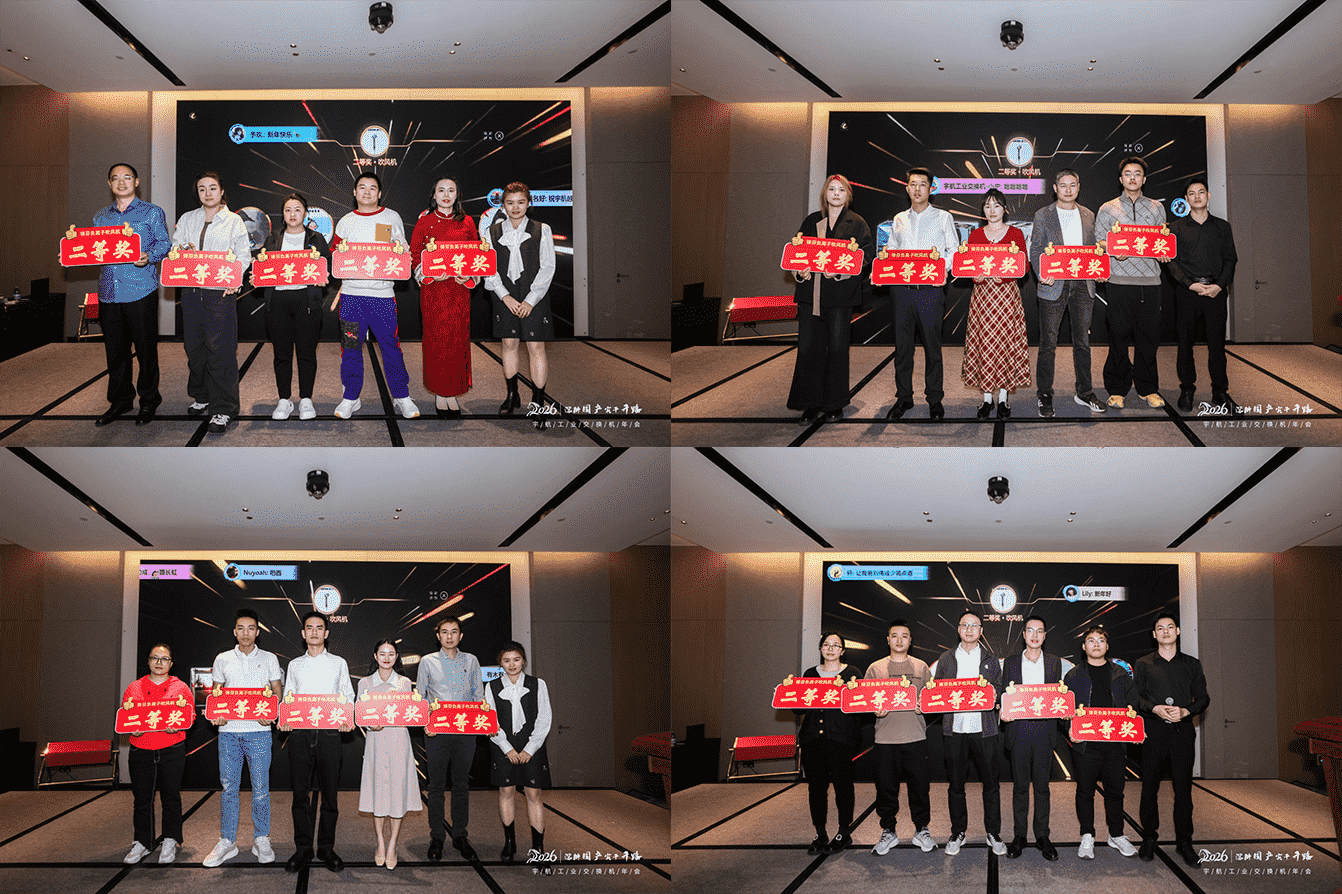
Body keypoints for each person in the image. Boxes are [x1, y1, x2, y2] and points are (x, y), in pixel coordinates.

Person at [330, 171, 419, 420]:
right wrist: (339, 251)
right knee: (350, 348)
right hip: (351, 297)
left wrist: (402, 251)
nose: (367, 191)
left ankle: (401, 395)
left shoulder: (391, 217)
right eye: (362, 187)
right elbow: (335, 253)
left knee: (391, 347)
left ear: (379, 193)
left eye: (372, 187)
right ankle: (351, 397)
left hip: (382, 297)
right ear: (354, 192)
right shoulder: (346, 221)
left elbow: (402, 249)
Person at [786, 174, 873, 424]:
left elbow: (866, 255)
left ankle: (834, 404)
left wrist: (840, 270)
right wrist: (799, 271)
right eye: (831, 189)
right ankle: (810, 403)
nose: (836, 193)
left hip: (840, 297)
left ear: (848, 195)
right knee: (809, 348)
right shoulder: (812, 221)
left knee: (837, 349)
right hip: (810, 295)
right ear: (824, 194)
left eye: (841, 190)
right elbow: (797, 251)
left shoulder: (857, 223)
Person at [91, 163, 171, 427]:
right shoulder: (101, 217)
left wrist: (150, 255)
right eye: (115, 178)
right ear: (109, 184)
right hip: (108, 292)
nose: (121, 182)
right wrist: (71, 254)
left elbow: (164, 244)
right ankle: (121, 400)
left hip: (140, 290)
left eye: (127, 177)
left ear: (136, 182)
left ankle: (149, 401)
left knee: (146, 351)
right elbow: (93, 249)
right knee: (115, 351)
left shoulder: (152, 212)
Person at [171, 171, 251, 434]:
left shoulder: (234, 221)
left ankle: (223, 408)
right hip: (192, 291)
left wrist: (235, 278)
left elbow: (243, 256)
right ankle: (202, 395)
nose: (208, 193)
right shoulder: (187, 218)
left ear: (222, 191)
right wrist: (181, 251)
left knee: (221, 350)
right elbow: (175, 249)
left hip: (220, 293)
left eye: (213, 188)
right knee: (194, 348)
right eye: (202, 189)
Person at [202, 609, 283, 867]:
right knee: (229, 789)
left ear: (257, 632)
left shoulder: (269, 658)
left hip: (259, 732)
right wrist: (216, 716)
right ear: (234, 631)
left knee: (260, 790)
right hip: (228, 733)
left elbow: (277, 692)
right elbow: (216, 695)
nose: (246, 633)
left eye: (251, 628)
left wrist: (271, 713)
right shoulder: (222, 659)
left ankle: (261, 838)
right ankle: (228, 841)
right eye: (241, 628)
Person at [278, 611, 356, 874]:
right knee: (300, 794)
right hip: (300, 733)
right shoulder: (294, 665)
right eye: (309, 627)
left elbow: (348, 695)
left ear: (326, 633)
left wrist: (346, 718)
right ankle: (302, 849)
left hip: (330, 733)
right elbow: (288, 697)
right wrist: (285, 718)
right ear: (303, 634)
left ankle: (326, 848)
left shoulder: (339, 663)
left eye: (319, 627)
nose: (314, 632)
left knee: (330, 795)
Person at [1133, 613, 1209, 867]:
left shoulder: (1191, 664)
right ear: (1154, 634)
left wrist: (1186, 711)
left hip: (1182, 733)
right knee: (1149, 788)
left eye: (1170, 627)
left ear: (1177, 631)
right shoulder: (1143, 664)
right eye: (1160, 628)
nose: (1165, 631)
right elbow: (1136, 698)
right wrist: (1154, 708)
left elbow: (1203, 698)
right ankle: (1149, 837)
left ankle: (1184, 841)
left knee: (1183, 790)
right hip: (1153, 733)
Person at [1028, 169, 1106, 416]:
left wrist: (1100, 268)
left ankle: (1085, 392)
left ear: (1079, 187)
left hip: (1083, 284)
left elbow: (1095, 249)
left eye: (1073, 185)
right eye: (1063, 185)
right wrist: (1041, 272)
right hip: (1053, 285)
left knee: (1082, 341)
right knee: (1048, 343)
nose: (1068, 189)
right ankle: (1044, 393)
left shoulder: (1088, 214)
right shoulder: (1043, 215)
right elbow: (1036, 248)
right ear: (1055, 188)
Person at [882, 167, 959, 420]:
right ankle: (903, 398)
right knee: (903, 348)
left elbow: (953, 251)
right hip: (902, 292)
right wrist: (883, 265)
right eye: (913, 184)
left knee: (932, 348)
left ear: (931, 188)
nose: (917, 189)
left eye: (922, 184)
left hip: (930, 292)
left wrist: (940, 269)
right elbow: (892, 250)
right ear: (907, 189)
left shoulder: (943, 217)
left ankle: (934, 399)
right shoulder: (898, 219)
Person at [929, 610, 1005, 856]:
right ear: (958, 629)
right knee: (955, 785)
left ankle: (993, 833)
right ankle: (957, 832)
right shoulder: (946, 658)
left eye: (974, 625)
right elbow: (936, 691)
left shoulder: (991, 659)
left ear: (981, 630)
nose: (969, 629)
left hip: (984, 730)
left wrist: (990, 690)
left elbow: (999, 689)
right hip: (955, 729)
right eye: (965, 625)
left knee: (991, 784)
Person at [1095, 157, 1168, 409]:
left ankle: (1148, 388)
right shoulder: (1107, 208)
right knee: (1118, 336)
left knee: (1148, 338)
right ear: (1121, 179)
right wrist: (1113, 248)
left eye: (1137, 173)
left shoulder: (1157, 207)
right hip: (1119, 281)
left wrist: (1164, 251)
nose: (1133, 177)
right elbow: (1099, 242)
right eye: (1128, 173)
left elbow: (1162, 239)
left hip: (1150, 282)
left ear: (1144, 179)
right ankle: (1117, 389)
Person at [999, 616, 1074, 860]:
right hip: (1019, 731)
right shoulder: (1011, 662)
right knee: (1020, 788)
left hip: (1044, 732)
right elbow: (1003, 694)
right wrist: (1003, 711)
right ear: (1023, 634)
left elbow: (1059, 694)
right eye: (1030, 630)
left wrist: (1065, 711)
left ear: (1044, 635)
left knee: (1042, 788)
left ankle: (1042, 836)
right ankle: (1019, 836)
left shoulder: (1054, 663)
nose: (1034, 635)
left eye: (1039, 631)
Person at [1063, 625, 1139, 859]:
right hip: (1085, 745)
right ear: (1083, 646)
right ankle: (1087, 835)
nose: (1096, 644)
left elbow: (1133, 705)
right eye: (1091, 640)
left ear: (1107, 646)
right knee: (1085, 792)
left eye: (1101, 640)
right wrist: (1069, 729)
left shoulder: (1121, 674)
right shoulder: (1073, 675)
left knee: (1115, 792)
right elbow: (1064, 710)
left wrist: (1135, 728)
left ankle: (1116, 835)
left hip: (1115, 745)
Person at [483, 182, 557, 413]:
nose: (515, 207)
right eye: (510, 203)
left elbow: (548, 267)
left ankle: (538, 402)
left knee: (536, 347)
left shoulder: (542, 229)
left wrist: (530, 300)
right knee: (509, 344)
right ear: (503, 206)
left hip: (534, 298)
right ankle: (512, 395)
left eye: (521, 202)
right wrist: (505, 297)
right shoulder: (491, 232)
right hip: (504, 297)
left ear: (529, 203)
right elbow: (488, 268)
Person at [1168, 179, 1240, 414]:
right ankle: (1187, 389)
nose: (1197, 196)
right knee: (1185, 344)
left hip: (1215, 292)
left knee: (1217, 345)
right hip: (1187, 292)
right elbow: (1171, 262)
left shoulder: (1222, 227)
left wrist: (1219, 286)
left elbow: (1230, 259)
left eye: (1201, 192)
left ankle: (1220, 392)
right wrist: (1190, 284)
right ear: (1186, 199)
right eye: (1192, 193)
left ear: (1208, 196)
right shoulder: (1176, 228)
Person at [866, 620, 936, 855]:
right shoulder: (875, 668)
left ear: (910, 640)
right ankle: (888, 830)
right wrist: (874, 709)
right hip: (885, 739)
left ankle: (921, 829)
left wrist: (924, 705)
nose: (899, 640)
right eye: (894, 635)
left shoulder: (921, 667)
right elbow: (865, 700)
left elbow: (933, 698)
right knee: (886, 789)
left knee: (920, 788)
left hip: (915, 737)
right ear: (888, 640)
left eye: (904, 636)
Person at [411, 177, 479, 418]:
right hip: (434, 292)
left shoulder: (467, 222)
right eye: (441, 190)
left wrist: (469, 275)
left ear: (457, 195)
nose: (446, 195)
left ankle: (454, 391)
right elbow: (415, 254)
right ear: (434, 195)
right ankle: (440, 393)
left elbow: (476, 253)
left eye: (451, 190)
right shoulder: (425, 221)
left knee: (458, 341)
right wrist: (429, 274)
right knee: (436, 340)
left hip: (459, 291)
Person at [417, 615, 484, 861]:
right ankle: (437, 836)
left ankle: (460, 835)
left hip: (466, 732)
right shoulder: (427, 661)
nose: (449, 636)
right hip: (437, 732)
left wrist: (484, 719)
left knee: (461, 785)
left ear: (461, 636)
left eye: (454, 631)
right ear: (438, 636)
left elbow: (478, 696)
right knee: (436, 786)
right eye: (444, 632)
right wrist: (426, 722)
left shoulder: (472, 660)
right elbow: (420, 696)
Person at [960, 189, 1031, 418]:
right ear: (983, 210)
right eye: (987, 206)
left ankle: (1003, 398)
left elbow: (1024, 266)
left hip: (1006, 296)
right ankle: (986, 399)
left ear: (1004, 209)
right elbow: (968, 265)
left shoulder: (1016, 234)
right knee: (984, 344)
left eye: (996, 206)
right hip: (983, 297)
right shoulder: (975, 235)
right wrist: (975, 276)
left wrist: (1007, 276)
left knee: (1005, 344)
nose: (992, 210)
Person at [122, 643, 193, 864]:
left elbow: (190, 715)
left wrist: (178, 725)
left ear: (171, 663)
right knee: (142, 799)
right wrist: (132, 728)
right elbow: (126, 716)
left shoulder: (181, 687)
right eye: (155, 658)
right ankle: (142, 842)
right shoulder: (134, 687)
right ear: (148, 661)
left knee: (171, 797)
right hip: (141, 749)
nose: (159, 663)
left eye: (164, 659)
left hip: (171, 748)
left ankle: (170, 839)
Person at [262, 193, 330, 421]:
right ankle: (284, 399)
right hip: (278, 300)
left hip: (306, 300)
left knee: (306, 352)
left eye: (298, 209)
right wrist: (257, 274)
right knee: (281, 353)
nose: (293, 214)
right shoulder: (272, 238)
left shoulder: (316, 238)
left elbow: (327, 266)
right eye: (288, 210)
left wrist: (324, 277)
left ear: (305, 213)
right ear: (283, 214)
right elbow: (263, 266)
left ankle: (306, 399)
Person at [793, 632, 862, 854]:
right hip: (813, 740)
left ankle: (844, 832)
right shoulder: (810, 674)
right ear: (820, 648)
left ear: (843, 650)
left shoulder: (852, 673)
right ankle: (820, 832)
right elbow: (798, 709)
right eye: (826, 645)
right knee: (816, 787)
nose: (830, 649)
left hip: (842, 740)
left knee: (843, 786)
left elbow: (860, 705)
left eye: (835, 645)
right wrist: (788, 693)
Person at [484, 642, 553, 862]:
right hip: (502, 744)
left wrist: (529, 749)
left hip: (532, 745)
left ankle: (538, 849)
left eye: (516, 659)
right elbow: (490, 721)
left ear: (523, 660)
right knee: (506, 792)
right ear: (500, 663)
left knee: (534, 794)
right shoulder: (492, 686)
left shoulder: (537, 684)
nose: (512, 664)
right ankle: (509, 843)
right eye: (506, 660)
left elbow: (544, 719)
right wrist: (508, 749)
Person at [358, 639, 423, 871]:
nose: (386, 658)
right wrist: (369, 724)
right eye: (382, 653)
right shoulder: (365, 683)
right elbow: (359, 714)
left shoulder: (404, 683)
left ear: (397, 657)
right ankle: (380, 842)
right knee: (378, 792)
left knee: (397, 793)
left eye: (391, 654)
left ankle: (393, 843)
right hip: (376, 742)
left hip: (398, 742)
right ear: (375, 656)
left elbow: (410, 713)